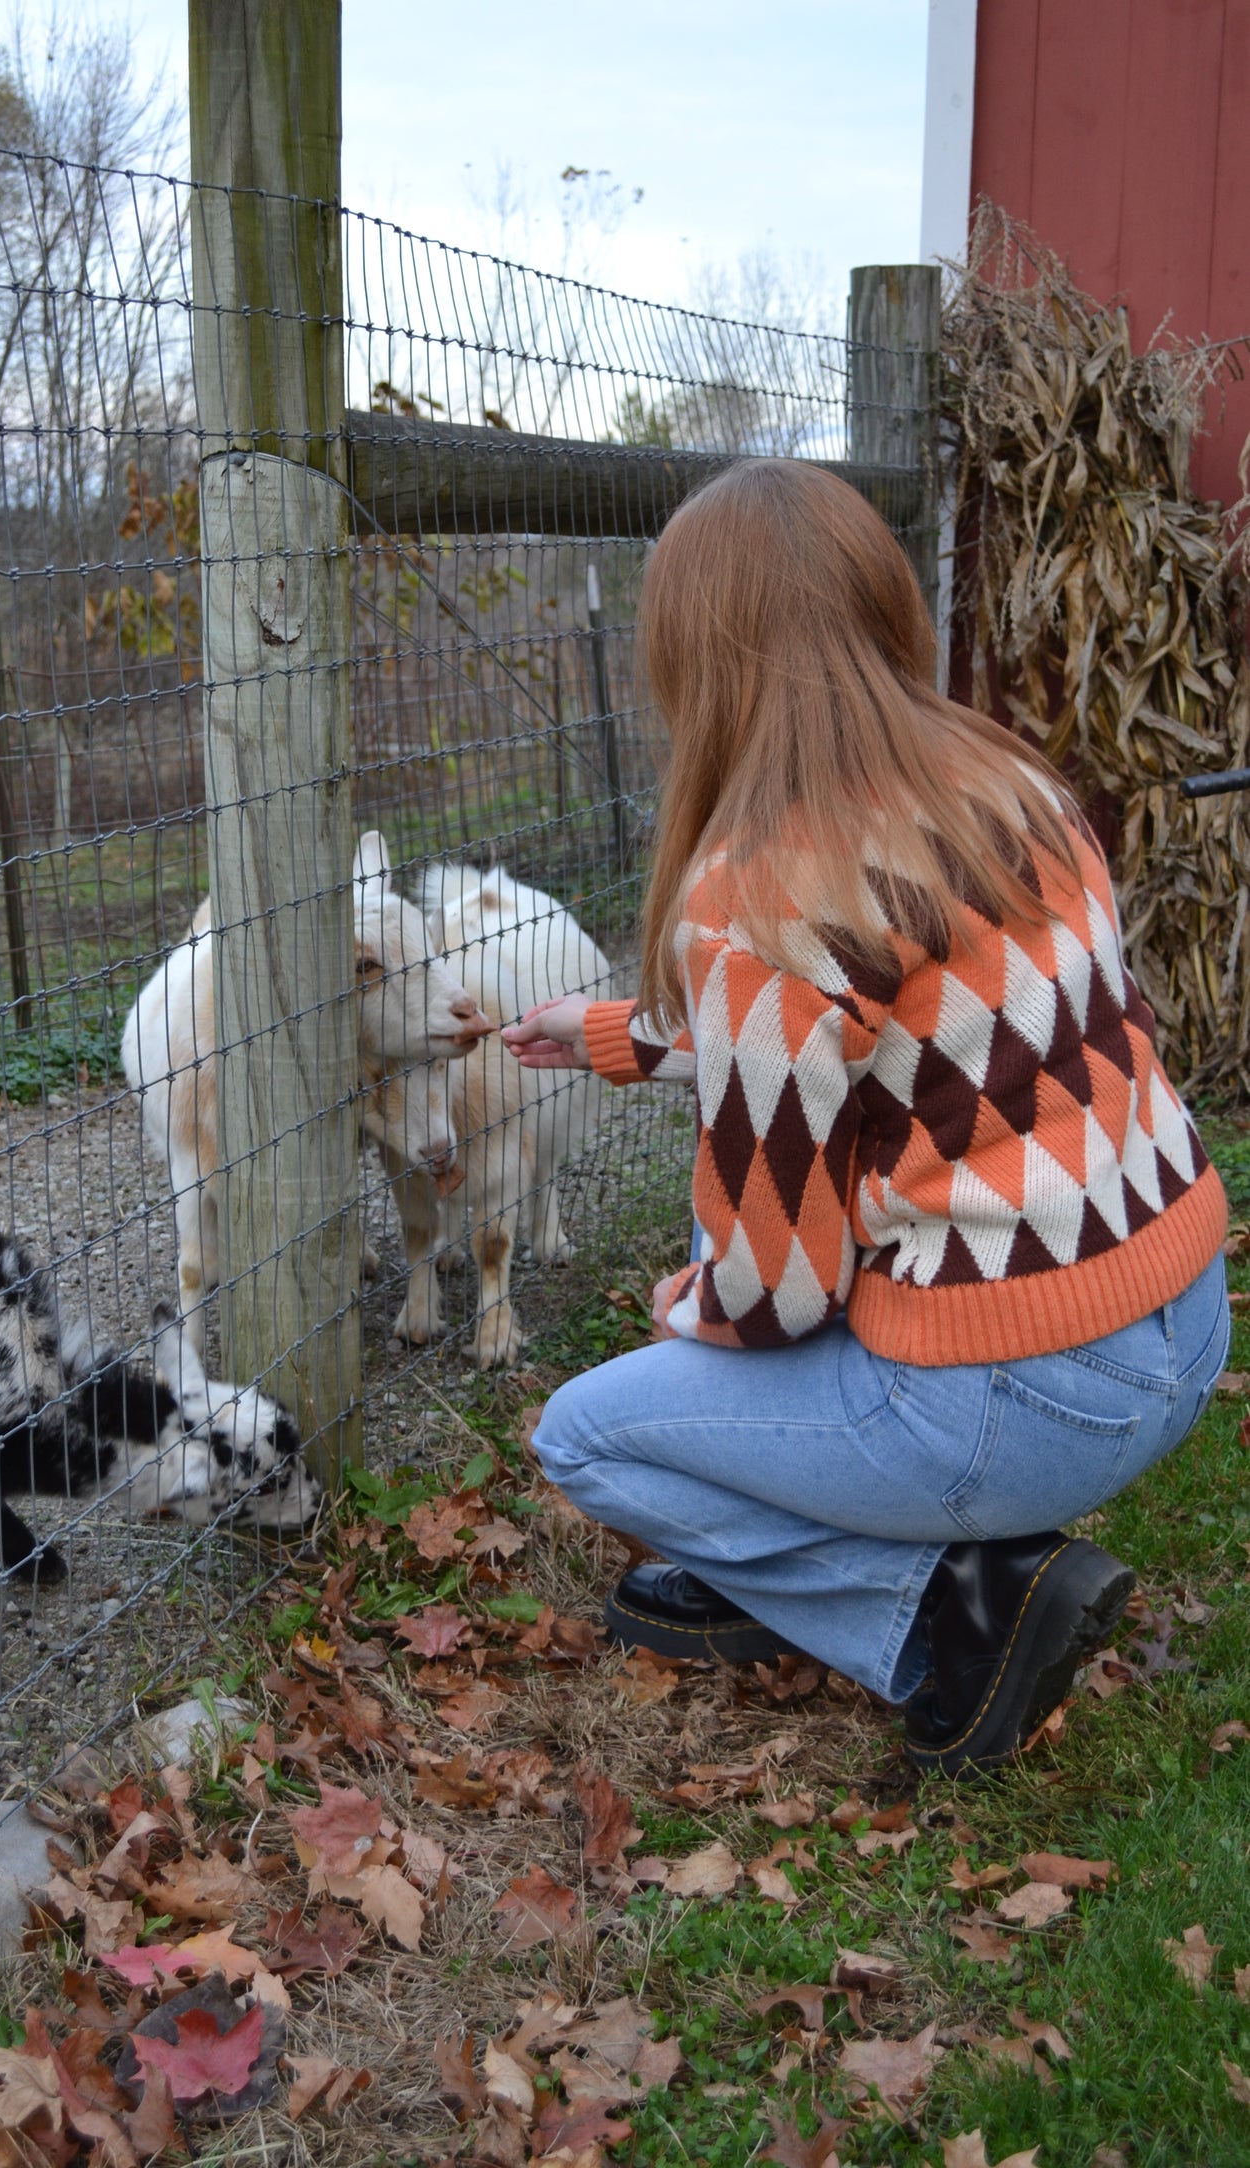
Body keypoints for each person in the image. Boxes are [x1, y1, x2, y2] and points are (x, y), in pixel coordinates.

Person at [503, 460, 1229, 1777]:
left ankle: (957, 1622)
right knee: (763, 1341)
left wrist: (686, 1318)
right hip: (1180, 1325)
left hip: (1030, 1393)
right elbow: (909, 1022)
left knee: (593, 1432)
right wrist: (610, 1034)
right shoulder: (1004, 787)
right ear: (880, 605)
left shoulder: (750, 892)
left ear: (691, 661)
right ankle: (798, 1548)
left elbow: (774, 1292)